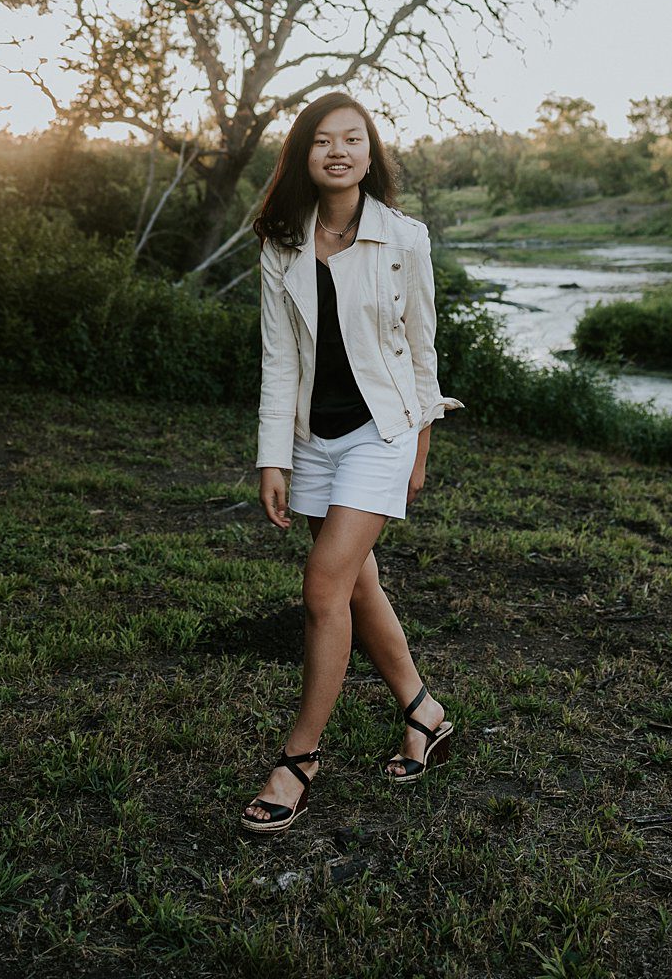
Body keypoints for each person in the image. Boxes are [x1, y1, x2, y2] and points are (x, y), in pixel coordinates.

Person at [237, 92, 464, 833]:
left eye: (353, 139)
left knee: (323, 585)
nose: (338, 151)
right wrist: (274, 458)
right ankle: (423, 712)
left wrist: (421, 447)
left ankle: (299, 758)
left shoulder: (405, 238)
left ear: (371, 154)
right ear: (304, 155)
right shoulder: (281, 242)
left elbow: (423, 349)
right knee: (358, 585)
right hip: (313, 440)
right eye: (322, 141)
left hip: (385, 432)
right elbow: (278, 360)